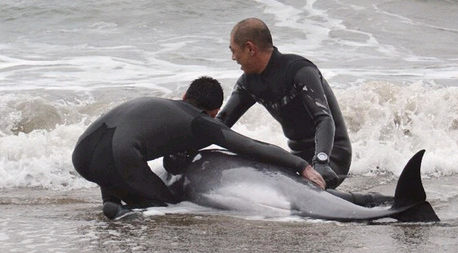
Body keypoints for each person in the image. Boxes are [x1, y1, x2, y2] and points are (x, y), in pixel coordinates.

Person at [72, 76, 325, 220]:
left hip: (82, 153)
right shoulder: (200, 122)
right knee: (168, 206)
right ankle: (124, 212)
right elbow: (250, 146)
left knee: (120, 170)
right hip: (118, 157)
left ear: (185, 96)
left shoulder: (160, 105)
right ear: (213, 112)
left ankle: (113, 204)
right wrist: (301, 166)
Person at [216, 18, 352, 190]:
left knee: (296, 196)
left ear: (250, 48)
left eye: (234, 51)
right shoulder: (248, 83)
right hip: (299, 160)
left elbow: (324, 119)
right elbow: (220, 125)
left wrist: (322, 161)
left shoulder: (300, 71)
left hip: (332, 155)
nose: (233, 57)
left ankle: (378, 202)